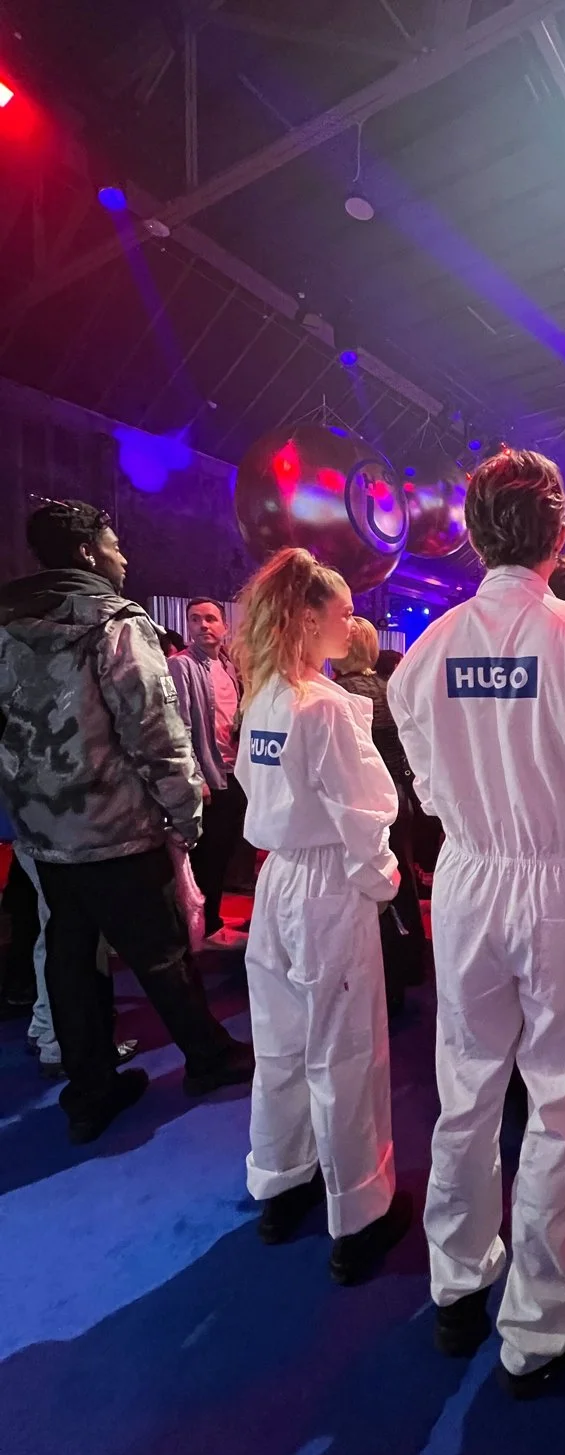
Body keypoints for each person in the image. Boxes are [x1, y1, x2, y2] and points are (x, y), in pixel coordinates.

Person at [389, 449, 565, 1392]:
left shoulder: (425, 653)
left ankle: (456, 1283)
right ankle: (540, 1317)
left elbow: (427, 783)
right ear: (559, 534)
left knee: (466, 1086)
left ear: (473, 533)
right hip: (561, 882)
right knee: (561, 1099)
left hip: (469, 878)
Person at [0, 500, 253, 1143]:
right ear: (87, 553)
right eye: (114, 545)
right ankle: (209, 1057)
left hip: (43, 830)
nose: (124, 556)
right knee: (162, 953)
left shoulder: (7, 620)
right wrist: (184, 814)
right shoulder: (113, 619)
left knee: (69, 957)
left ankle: (89, 1093)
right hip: (117, 826)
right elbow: (154, 731)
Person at [233, 547, 412, 1285]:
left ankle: (281, 1180)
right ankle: (358, 1212)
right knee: (343, 1052)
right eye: (341, 612)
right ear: (308, 617)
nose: (352, 621)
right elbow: (363, 814)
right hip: (326, 886)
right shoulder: (327, 707)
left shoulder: (264, 695)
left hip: (277, 881)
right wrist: (384, 884)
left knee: (279, 1046)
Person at [332, 621, 427, 1014]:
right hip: (400, 797)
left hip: (366, 799)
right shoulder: (388, 687)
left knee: (372, 886)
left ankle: (384, 975)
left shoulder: (339, 693)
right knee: (399, 877)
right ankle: (411, 961)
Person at [168, 598, 248, 947]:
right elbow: (179, 726)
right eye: (195, 619)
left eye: (211, 618)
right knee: (204, 859)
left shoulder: (228, 666)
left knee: (222, 854)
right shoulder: (181, 665)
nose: (203, 625)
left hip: (233, 772)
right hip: (207, 777)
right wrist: (195, 775)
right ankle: (198, 931)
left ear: (224, 626)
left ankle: (208, 926)